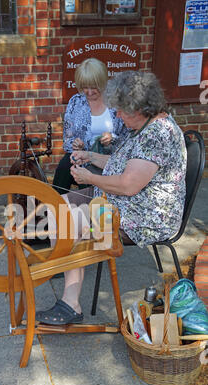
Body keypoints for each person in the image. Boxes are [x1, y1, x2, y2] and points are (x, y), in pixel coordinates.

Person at [36, 70, 187, 325]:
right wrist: (92, 158)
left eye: (121, 111)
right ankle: (66, 264)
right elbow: (124, 164)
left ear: (139, 108)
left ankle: (71, 303)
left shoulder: (157, 134)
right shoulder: (143, 126)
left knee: (70, 220)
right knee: (57, 206)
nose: (116, 115)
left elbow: (128, 185)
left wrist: (90, 177)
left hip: (144, 215)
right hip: (119, 200)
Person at [52, 58, 128, 194]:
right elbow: (68, 138)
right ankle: (54, 206)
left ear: (102, 83)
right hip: (82, 156)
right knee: (64, 166)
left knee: (86, 177)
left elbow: (128, 136)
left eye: (94, 87)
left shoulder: (116, 102)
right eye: (84, 87)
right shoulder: (76, 102)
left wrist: (112, 138)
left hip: (109, 157)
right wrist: (76, 144)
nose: (89, 92)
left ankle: (91, 209)